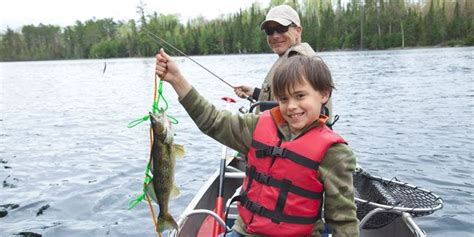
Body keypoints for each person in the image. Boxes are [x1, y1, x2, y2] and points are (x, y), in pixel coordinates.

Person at [155, 49, 359, 237]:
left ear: (324, 94)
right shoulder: (257, 126)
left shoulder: (335, 153)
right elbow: (213, 121)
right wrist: (176, 79)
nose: (291, 106)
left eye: (300, 96)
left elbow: (343, 219)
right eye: (284, 99)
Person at [233, 4, 332, 117]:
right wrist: (255, 93)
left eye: (281, 29)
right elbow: (287, 99)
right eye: (269, 31)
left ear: (298, 31)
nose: (275, 36)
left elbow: (292, 109)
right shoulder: (290, 58)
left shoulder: (298, 61)